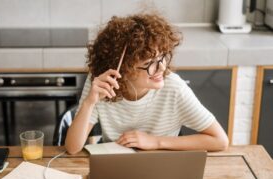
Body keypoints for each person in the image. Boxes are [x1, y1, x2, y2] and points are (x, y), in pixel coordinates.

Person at [65, 13, 229, 155]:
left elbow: (220, 140)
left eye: (163, 57)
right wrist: (89, 103)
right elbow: (72, 148)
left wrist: (155, 142)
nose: (162, 67)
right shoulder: (102, 84)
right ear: (124, 68)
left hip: (163, 168)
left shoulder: (174, 88)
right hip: (117, 168)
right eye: (151, 63)